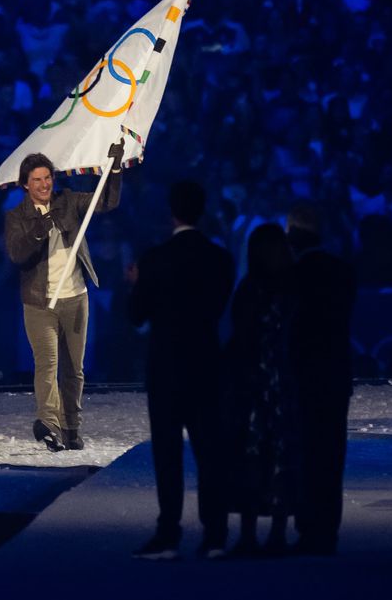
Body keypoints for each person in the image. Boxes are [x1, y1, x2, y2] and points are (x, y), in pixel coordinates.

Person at [127, 180, 235, 560]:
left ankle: (168, 533)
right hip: (205, 363)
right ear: (201, 210)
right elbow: (219, 308)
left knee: (168, 453)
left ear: (172, 211)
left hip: (167, 367)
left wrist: (137, 284)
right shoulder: (220, 259)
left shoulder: (155, 259)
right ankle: (216, 534)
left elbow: (136, 315)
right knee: (210, 451)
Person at [5, 140, 123, 452]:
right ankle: (49, 425)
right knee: (47, 364)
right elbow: (17, 254)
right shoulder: (17, 216)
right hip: (38, 302)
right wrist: (40, 229)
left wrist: (114, 169)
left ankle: (72, 426)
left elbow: (106, 202)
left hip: (75, 297)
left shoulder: (68, 201)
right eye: (36, 180)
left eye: (47, 178)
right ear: (25, 185)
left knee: (74, 369)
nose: (44, 185)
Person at [286, 201, 356, 555]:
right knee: (332, 453)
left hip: (305, 374)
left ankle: (310, 526)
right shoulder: (342, 270)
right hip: (336, 372)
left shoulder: (295, 275)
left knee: (307, 452)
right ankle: (328, 527)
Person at [224, 223, 297, 558]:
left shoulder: (251, 288)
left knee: (253, 456)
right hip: (280, 384)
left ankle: (251, 534)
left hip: (256, 383)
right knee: (278, 457)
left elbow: (239, 338)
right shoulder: (290, 289)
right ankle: (277, 532)